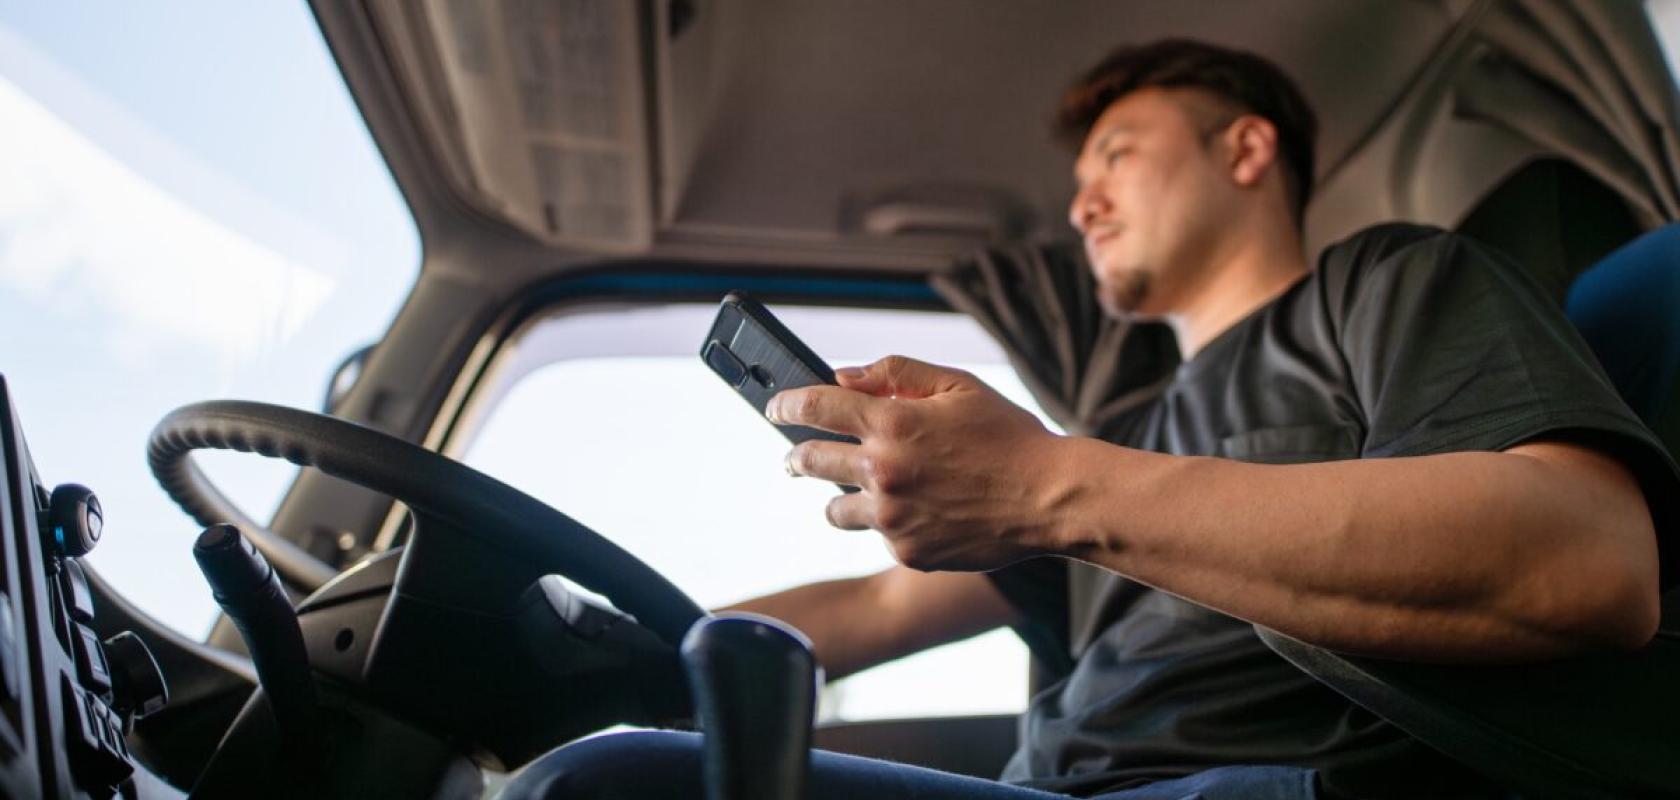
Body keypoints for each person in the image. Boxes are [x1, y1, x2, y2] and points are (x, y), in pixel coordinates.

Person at [515, 39, 1677, 800]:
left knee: (598, 794)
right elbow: (877, 602)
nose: (1080, 200)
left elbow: (1589, 557)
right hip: (1042, 786)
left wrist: (1046, 484)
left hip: (1263, 788)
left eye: (1118, 152)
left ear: (1247, 148)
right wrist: (625, 647)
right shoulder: (1118, 421)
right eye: (1080, 178)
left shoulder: (1382, 286)